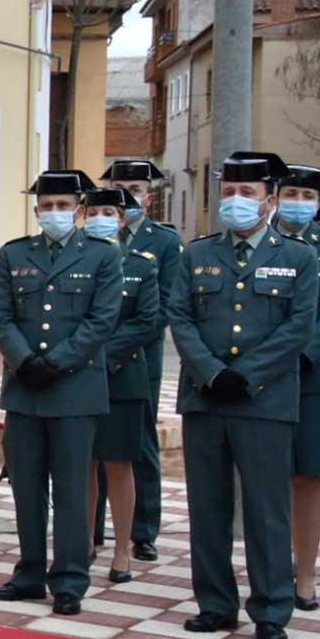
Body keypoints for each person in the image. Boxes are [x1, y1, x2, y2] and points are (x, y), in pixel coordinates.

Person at [169, 153, 317, 639]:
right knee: (207, 506)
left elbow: (298, 326)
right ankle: (215, 604)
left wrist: (246, 375)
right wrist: (212, 373)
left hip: (265, 401)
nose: (236, 201)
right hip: (205, 398)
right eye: (229, 192)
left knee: (266, 508)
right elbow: (181, 317)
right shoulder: (197, 254)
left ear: (270, 201)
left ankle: (272, 608)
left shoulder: (299, 257)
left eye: (247, 193)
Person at [0, 170, 121, 616]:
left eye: (64, 206)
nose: (55, 213)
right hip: (25, 389)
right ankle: (28, 573)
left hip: (75, 389)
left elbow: (101, 321)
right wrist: (25, 361)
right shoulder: (14, 253)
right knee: (26, 486)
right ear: (36, 210)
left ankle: (69, 579)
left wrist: (57, 362)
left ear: (80, 211)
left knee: (69, 487)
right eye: (48, 206)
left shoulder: (103, 256)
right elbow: (1, 317)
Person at [100, 160, 183, 563]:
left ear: (149, 196)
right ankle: (95, 526)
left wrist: (114, 348)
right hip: (91, 358)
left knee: (139, 446)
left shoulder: (164, 241)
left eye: (135, 187)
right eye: (120, 186)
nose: (128, 194)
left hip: (140, 359)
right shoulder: (96, 232)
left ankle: (143, 530)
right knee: (96, 443)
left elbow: (165, 305)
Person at [267, 162, 320, 611]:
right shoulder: (257, 242)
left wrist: (301, 352)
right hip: (264, 375)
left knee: (310, 472)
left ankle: (306, 575)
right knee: (272, 475)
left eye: (306, 196)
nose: (297, 203)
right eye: (289, 194)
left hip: (317, 373)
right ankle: (274, 564)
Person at [80, 187, 159, 586]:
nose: (100, 218)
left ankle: (123, 549)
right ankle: (84, 545)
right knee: (85, 463)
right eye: (93, 211)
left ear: (122, 219)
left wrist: (100, 354)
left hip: (123, 376)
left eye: (108, 212)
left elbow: (146, 322)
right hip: (78, 378)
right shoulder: (73, 261)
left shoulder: (141, 264)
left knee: (119, 464)